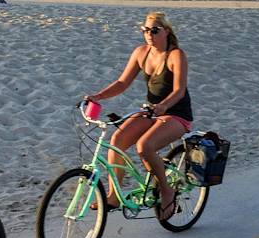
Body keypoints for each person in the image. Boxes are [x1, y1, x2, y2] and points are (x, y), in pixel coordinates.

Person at [81, 12, 194, 220]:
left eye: (154, 30)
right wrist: (98, 96)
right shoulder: (141, 53)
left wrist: (163, 106)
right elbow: (122, 83)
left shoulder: (176, 55)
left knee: (145, 146)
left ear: (166, 31)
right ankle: (114, 196)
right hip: (152, 111)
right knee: (117, 140)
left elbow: (179, 91)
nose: (149, 34)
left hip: (177, 114)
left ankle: (167, 191)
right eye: (145, 30)